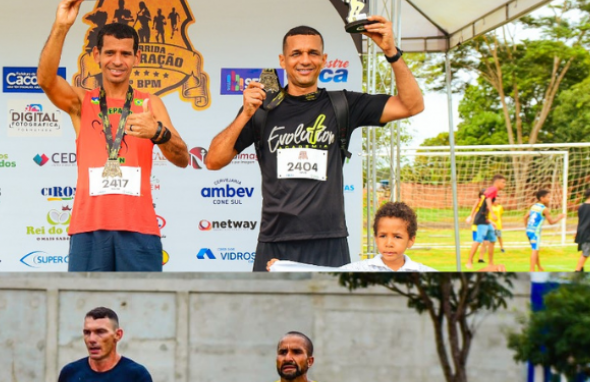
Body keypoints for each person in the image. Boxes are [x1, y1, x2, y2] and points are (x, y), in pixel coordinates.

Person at [205, 21, 424, 270]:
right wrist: (245, 115)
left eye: (313, 53)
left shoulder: (343, 104)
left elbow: (411, 106)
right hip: (275, 239)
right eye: (296, 53)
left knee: (329, 310)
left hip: (329, 239)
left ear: (324, 60)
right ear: (283, 60)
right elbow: (213, 160)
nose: (305, 60)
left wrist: (392, 53)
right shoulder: (261, 109)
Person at [38, 0, 189, 272]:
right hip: (88, 228)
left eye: (125, 54)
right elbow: (46, 80)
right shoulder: (81, 101)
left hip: (139, 229)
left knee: (143, 309)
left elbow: (182, 158)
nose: (117, 61)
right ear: (97, 56)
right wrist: (61, 26)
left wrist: (158, 132)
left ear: (136, 58)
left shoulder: (150, 103)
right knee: (90, 311)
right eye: (110, 53)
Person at [267, 201, 436, 273]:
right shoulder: (358, 270)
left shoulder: (425, 273)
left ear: (411, 240)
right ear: (375, 238)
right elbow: (321, 274)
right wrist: (283, 266)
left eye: (397, 237)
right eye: (383, 236)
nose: (389, 243)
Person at [471, 175, 506, 271]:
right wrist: (492, 213)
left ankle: (490, 262)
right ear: (497, 182)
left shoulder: (494, 195)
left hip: (487, 220)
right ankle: (470, 261)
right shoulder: (492, 190)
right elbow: (487, 200)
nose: (505, 184)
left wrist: (491, 220)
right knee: (479, 240)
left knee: (492, 239)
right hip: (481, 219)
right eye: (503, 182)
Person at [525, 188, 563, 274]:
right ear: (542, 198)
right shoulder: (544, 209)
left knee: (536, 249)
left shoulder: (534, 206)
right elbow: (551, 222)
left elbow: (525, 217)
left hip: (529, 230)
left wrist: (526, 228)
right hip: (535, 232)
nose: (550, 199)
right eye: (548, 197)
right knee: (535, 250)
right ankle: (532, 269)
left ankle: (539, 267)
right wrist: (559, 217)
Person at [465, 187, 487, 267]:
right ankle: (470, 259)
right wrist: (470, 216)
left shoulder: (487, 203)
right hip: (477, 224)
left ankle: (481, 258)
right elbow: (474, 209)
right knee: (477, 241)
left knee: (485, 241)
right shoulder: (479, 201)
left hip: (485, 224)